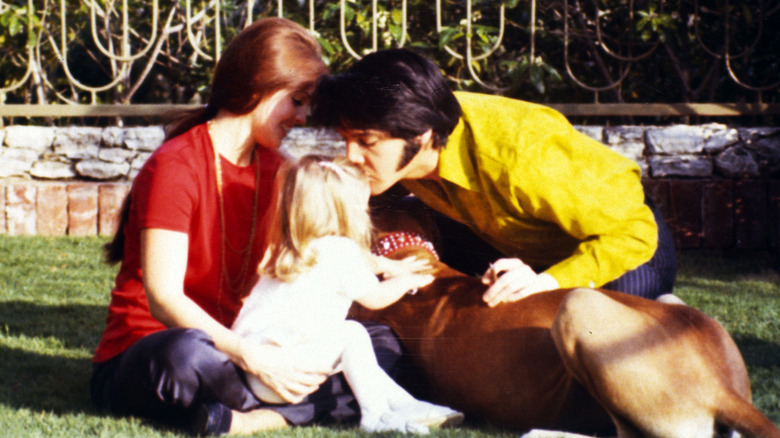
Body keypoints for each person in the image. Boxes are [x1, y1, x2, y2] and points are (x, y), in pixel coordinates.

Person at [90, 18, 406, 436]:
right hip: (167, 351)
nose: (301, 116)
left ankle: (250, 418)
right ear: (260, 86)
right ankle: (291, 407)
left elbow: (321, 248)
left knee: (378, 344)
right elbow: (163, 299)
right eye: (296, 100)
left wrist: (389, 265)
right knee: (183, 356)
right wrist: (252, 357)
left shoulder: (279, 170)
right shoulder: (176, 165)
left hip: (250, 355)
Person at [310, 48, 677, 304]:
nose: (350, 156)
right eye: (345, 140)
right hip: (508, 239)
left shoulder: (521, 151)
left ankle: (668, 312)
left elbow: (632, 232)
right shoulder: (399, 152)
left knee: (602, 321)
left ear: (419, 135)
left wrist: (547, 283)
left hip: (623, 238)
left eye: (365, 141)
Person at [232, 155, 464, 433]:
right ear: (345, 211)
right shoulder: (342, 251)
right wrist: (408, 280)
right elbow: (375, 298)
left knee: (355, 356)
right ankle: (375, 417)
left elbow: (367, 262)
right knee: (352, 335)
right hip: (289, 375)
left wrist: (391, 265)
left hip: (255, 369)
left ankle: (408, 405)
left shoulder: (295, 248)